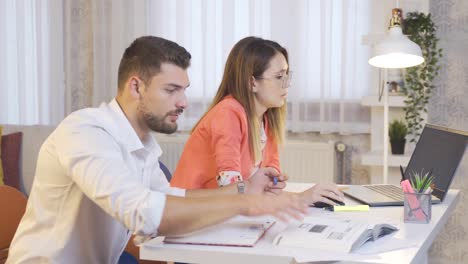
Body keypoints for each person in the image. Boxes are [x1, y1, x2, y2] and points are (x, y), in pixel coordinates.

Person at [6, 36, 309, 264]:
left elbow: (170, 198)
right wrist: (243, 202)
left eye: (184, 90)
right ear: (136, 87)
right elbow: (144, 214)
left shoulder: (143, 146)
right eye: (171, 90)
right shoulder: (84, 132)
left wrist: (244, 192)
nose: (184, 102)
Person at [170, 36, 344, 206]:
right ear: (252, 82)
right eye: (278, 77)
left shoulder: (266, 118)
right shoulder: (228, 113)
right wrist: (299, 198)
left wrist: (281, 188)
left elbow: (265, 188)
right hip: (191, 212)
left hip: (220, 212)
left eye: (287, 76)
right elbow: (231, 188)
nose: (287, 85)